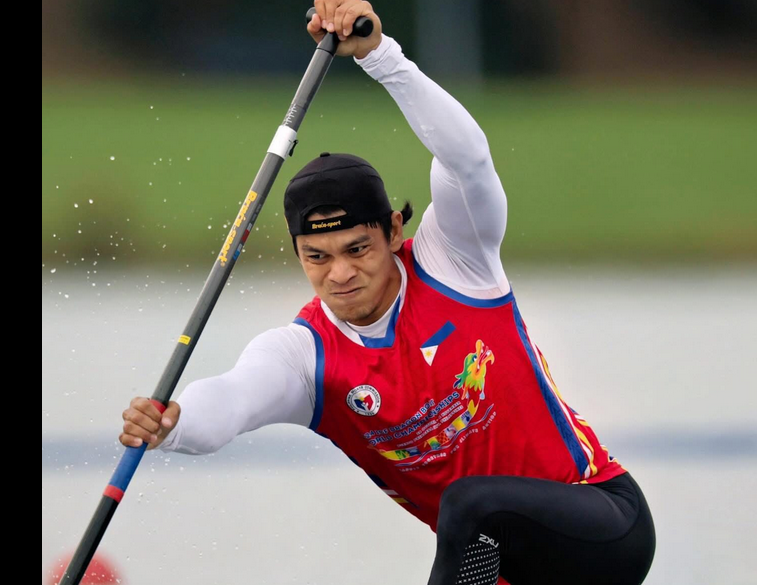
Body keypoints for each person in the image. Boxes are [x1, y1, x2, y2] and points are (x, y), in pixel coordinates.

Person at [119, 2, 655, 583]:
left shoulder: (455, 260)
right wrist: (172, 425)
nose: (339, 275)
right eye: (317, 257)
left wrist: (381, 57)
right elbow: (232, 399)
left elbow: (469, 159)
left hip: (603, 524)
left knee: (469, 502)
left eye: (357, 249)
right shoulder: (305, 357)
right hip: (508, 573)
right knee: (468, 511)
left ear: (394, 231)